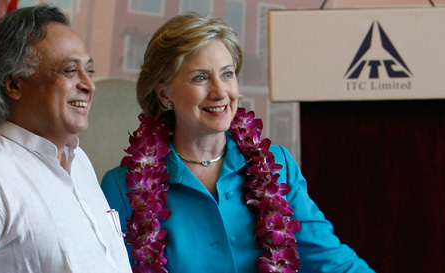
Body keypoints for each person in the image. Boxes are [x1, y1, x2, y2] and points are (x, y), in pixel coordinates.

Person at [100, 12, 375, 273]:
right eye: (201, 77)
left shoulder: (277, 167)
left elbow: (332, 262)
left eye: (227, 74)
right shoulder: (123, 187)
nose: (220, 92)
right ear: (164, 94)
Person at [0, 4, 132, 273]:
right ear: (14, 84)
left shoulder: (79, 162)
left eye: (89, 70)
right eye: (68, 70)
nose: (89, 85)